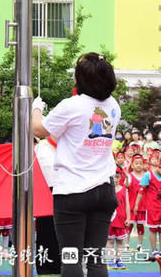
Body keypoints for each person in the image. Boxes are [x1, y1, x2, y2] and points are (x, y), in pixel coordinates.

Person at [32, 52, 121, 277]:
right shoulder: (113, 105)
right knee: (95, 259)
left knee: (71, 259)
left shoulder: (72, 105)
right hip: (104, 189)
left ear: (80, 79)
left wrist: (36, 109)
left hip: (73, 192)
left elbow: (38, 130)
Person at [134, 159, 161, 257]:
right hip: (152, 208)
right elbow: (140, 191)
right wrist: (136, 205)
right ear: (158, 166)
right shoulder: (148, 175)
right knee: (153, 230)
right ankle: (154, 250)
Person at [107, 166, 129, 270]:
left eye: (117, 177)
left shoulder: (124, 190)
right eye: (113, 177)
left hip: (121, 220)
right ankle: (111, 260)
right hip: (110, 220)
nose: (115, 179)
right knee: (110, 241)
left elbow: (127, 205)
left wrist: (128, 218)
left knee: (120, 242)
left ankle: (119, 259)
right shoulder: (107, 190)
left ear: (120, 177)